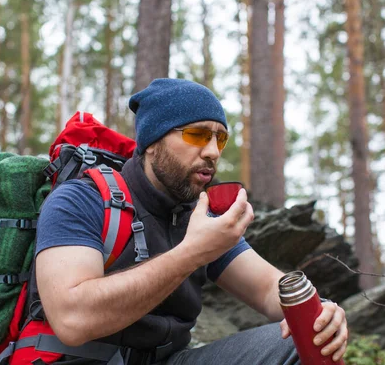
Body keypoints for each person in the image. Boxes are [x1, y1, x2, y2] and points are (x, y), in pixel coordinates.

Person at [35, 78, 348, 365]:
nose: (213, 151)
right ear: (152, 143)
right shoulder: (80, 199)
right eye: (197, 135)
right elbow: (71, 321)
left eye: (220, 139)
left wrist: (321, 311)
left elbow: (268, 289)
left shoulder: (200, 216)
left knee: (305, 339)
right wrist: (192, 253)